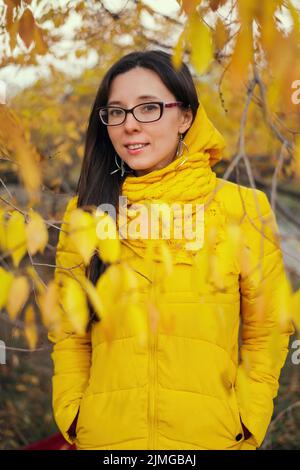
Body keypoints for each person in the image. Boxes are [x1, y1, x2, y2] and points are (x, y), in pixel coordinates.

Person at [48, 50, 295, 450]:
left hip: (211, 441)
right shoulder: (87, 212)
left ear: (185, 117)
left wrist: (247, 422)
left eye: (149, 108)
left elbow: (267, 329)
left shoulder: (243, 208)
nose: (130, 125)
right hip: (107, 443)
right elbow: (69, 332)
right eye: (116, 112)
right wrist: (75, 417)